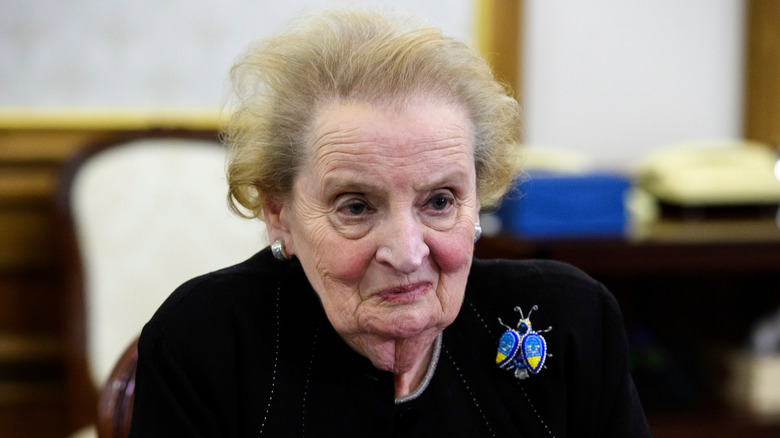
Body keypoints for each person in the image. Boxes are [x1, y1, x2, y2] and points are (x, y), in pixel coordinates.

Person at [129, 9, 650, 437]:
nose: (406, 253)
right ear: (278, 213)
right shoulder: (205, 343)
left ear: (477, 201)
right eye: (355, 206)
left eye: (440, 201)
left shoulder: (571, 322)